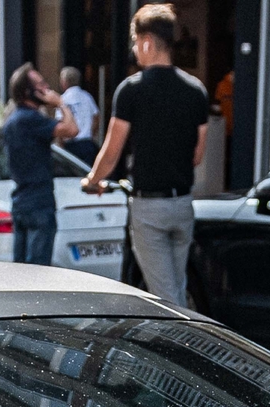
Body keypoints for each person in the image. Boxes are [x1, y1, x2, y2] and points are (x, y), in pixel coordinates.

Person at [82, 3, 207, 308]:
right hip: (183, 204)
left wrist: (92, 180)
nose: (135, 49)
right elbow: (197, 155)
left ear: (148, 41)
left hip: (150, 208)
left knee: (167, 298)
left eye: (136, 42)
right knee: (176, 285)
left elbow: (112, 151)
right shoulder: (196, 90)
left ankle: (180, 350)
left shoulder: (131, 91)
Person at [4, 64, 77, 266]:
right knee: (38, 270)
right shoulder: (31, 118)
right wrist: (61, 103)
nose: (47, 88)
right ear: (28, 91)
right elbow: (72, 129)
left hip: (21, 199)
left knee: (22, 269)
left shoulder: (13, 119)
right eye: (41, 84)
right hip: (38, 201)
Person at [58, 66, 98, 143]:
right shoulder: (87, 97)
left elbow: (60, 122)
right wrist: (91, 134)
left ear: (64, 82)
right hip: (87, 142)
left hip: (70, 144)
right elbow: (96, 117)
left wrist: (61, 143)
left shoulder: (62, 100)